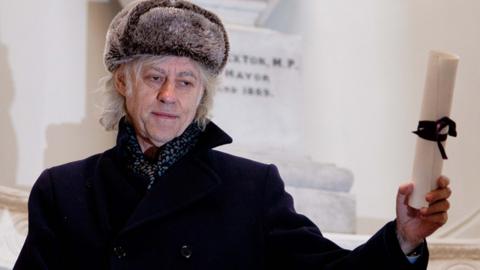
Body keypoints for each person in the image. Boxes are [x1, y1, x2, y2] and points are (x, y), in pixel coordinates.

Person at [14, 0, 451, 269]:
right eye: (153, 77)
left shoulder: (253, 189)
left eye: (186, 81)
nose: (169, 95)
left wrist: (404, 238)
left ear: (202, 94)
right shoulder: (64, 189)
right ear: (123, 83)